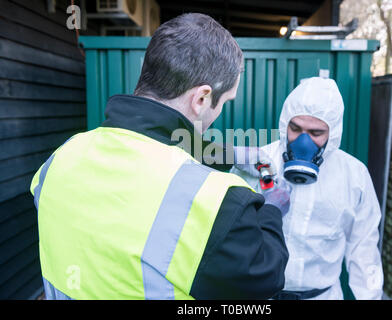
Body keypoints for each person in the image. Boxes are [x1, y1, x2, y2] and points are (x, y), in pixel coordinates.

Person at [30, 13, 291, 300]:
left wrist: (231, 155)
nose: (219, 113)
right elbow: (265, 277)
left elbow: (147, 142)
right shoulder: (220, 204)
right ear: (202, 98)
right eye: (224, 102)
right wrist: (272, 211)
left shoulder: (59, 159)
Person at [232, 77, 384, 300]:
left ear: (332, 134)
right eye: (295, 128)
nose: (303, 142)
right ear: (285, 124)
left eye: (316, 133)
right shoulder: (258, 162)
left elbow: (364, 249)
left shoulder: (353, 176)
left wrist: (370, 296)